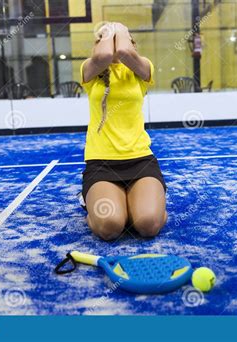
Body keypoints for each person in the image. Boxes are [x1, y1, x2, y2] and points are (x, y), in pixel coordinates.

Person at [79, 22, 167, 241]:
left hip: (140, 160)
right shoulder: (90, 69)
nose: (115, 42)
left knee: (148, 225)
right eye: (109, 38)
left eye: (120, 37)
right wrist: (110, 30)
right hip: (101, 163)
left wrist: (119, 29)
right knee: (110, 227)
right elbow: (104, 57)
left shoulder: (142, 68)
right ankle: (93, 202)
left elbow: (124, 52)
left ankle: (136, 204)